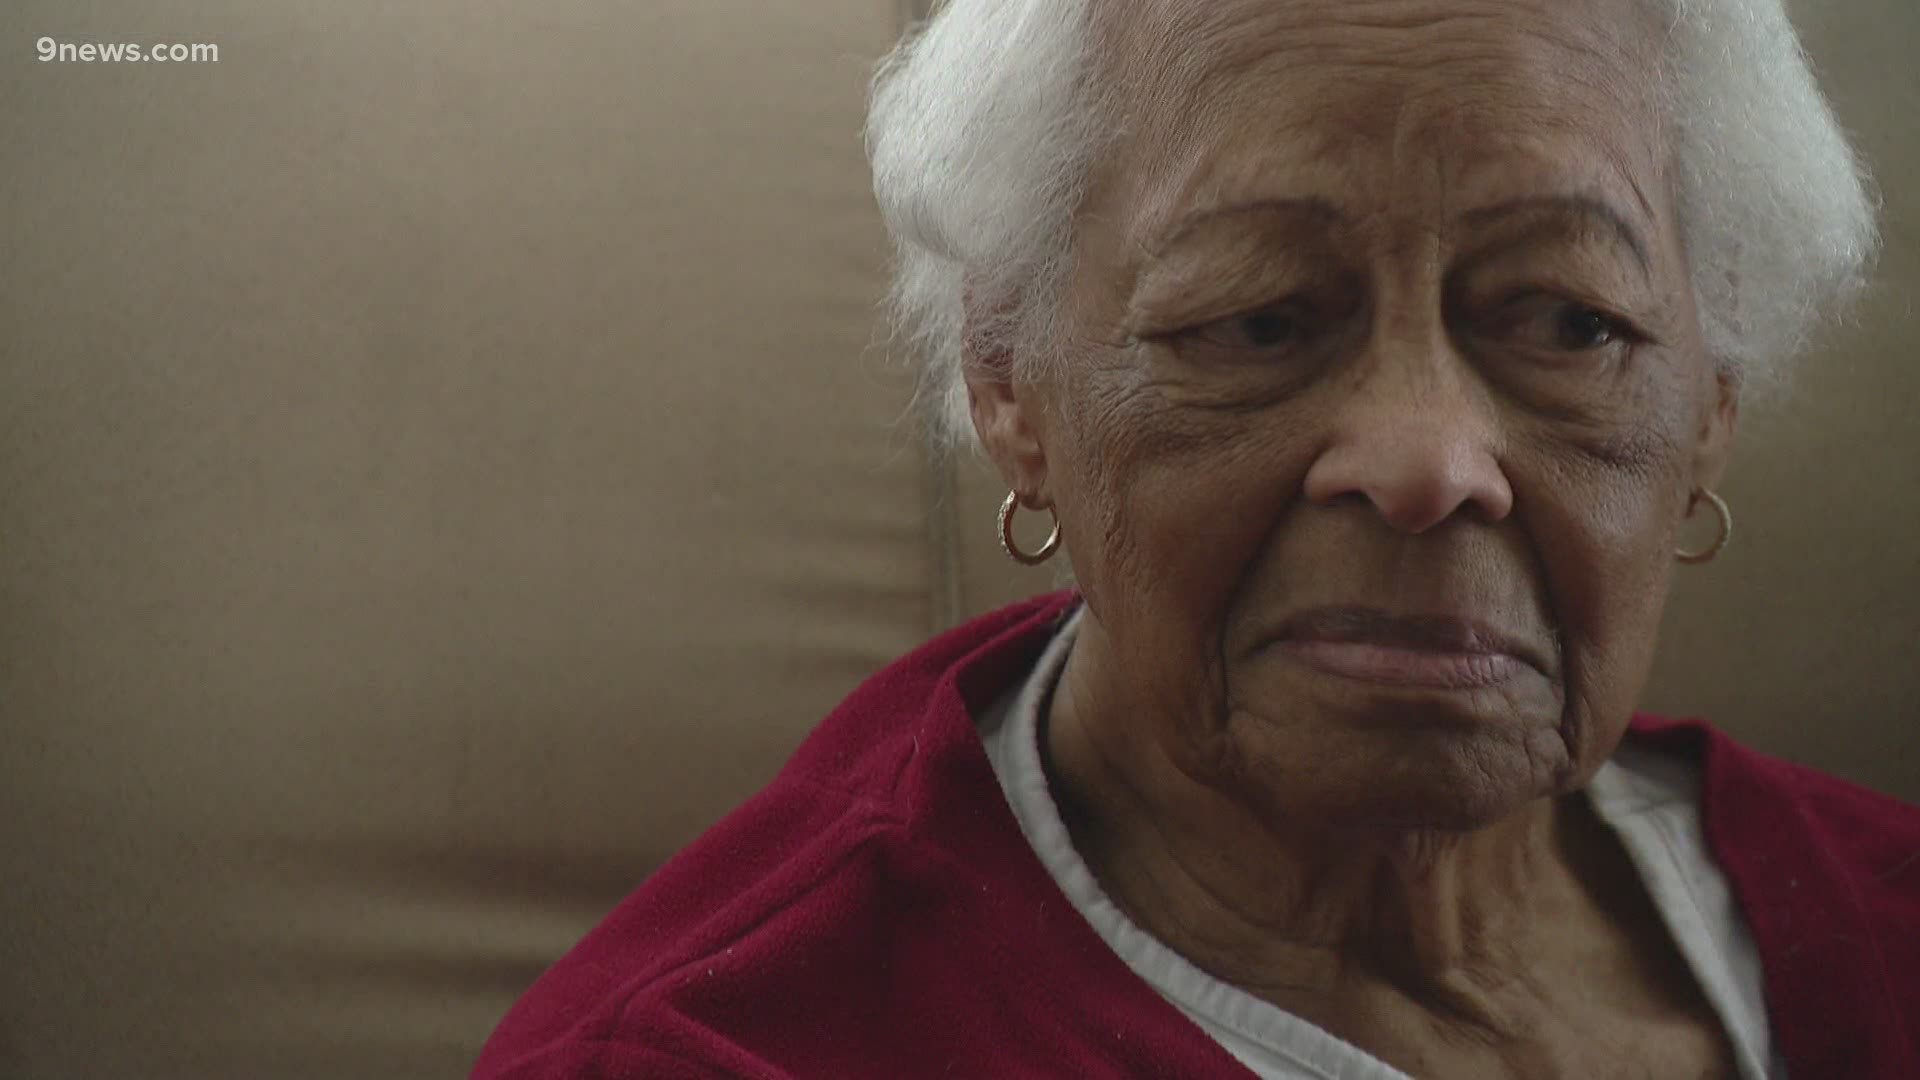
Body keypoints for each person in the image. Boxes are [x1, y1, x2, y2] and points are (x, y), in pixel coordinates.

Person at [474, 0, 1918, 1076]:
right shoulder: (724, 1049)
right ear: (1007, 377)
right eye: (1260, 318)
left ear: (1711, 396)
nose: (1429, 463)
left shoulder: (1876, 921)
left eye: (1567, 320)